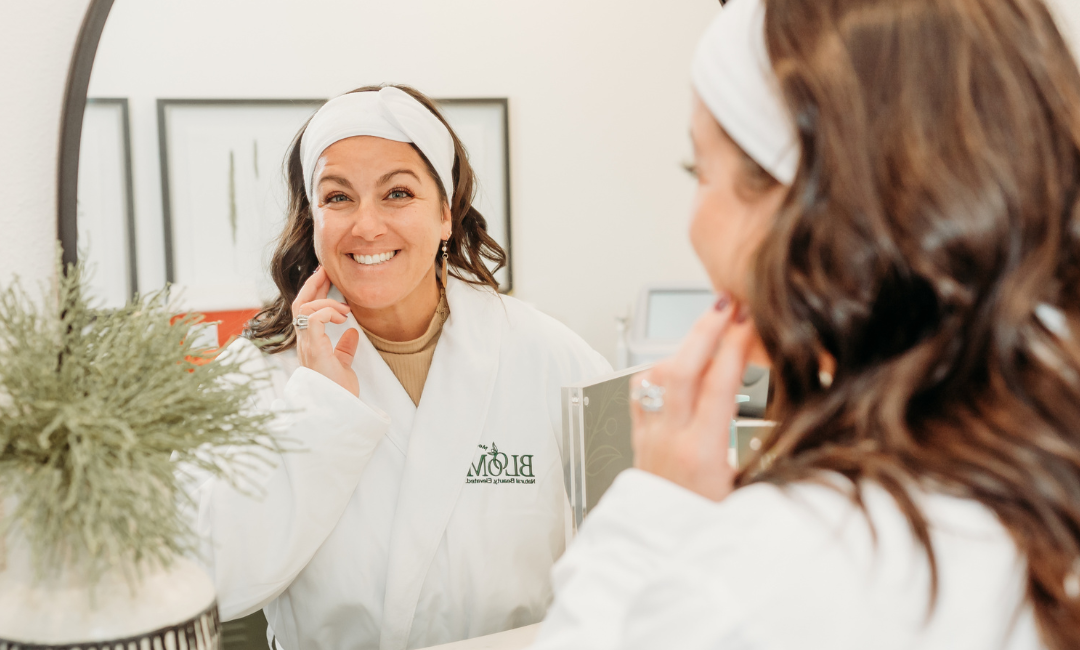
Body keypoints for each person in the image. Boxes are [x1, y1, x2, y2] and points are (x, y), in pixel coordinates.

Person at [532, 0, 1080, 648]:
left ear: (804, 207)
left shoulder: (773, 568)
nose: (693, 222)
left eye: (699, 171)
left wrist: (651, 509)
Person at [183, 85, 610, 650]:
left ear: (445, 215)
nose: (366, 226)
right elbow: (205, 582)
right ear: (313, 220)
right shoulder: (256, 373)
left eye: (398, 193)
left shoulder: (553, 357)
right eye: (337, 198)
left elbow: (639, 559)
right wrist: (319, 411)